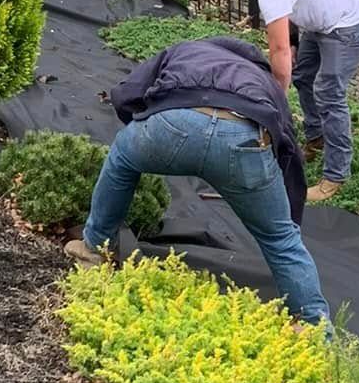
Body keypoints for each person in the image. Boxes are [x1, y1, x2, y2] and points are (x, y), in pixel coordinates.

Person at [64, 35, 330, 324]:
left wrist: (141, 132)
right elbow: (286, 144)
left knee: (122, 159)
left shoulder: (185, 50)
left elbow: (129, 92)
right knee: (280, 237)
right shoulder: (263, 79)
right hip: (244, 140)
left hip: (175, 123)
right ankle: (313, 327)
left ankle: (94, 252)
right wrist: (288, 211)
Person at [211, 0, 359, 201]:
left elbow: (279, 53)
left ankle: (335, 176)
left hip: (353, 18)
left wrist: (274, 100)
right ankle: (316, 139)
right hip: (326, 17)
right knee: (303, 77)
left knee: (328, 92)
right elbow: (290, 7)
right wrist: (292, 41)